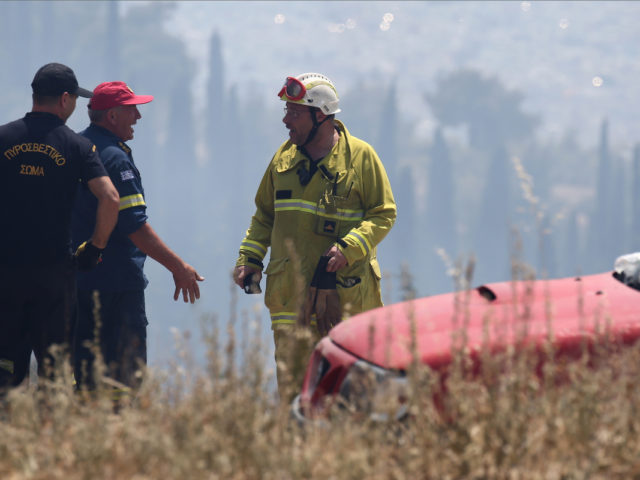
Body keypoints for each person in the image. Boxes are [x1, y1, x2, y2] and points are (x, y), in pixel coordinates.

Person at [233, 73, 396, 399]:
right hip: (289, 299)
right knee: (296, 396)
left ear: (320, 115)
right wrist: (250, 258)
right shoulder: (283, 159)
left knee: (351, 392)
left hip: (346, 299)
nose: (285, 120)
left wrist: (349, 248)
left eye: (294, 112)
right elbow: (264, 214)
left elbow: (383, 213)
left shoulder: (361, 158)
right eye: (286, 111)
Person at [72, 81, 204, 392]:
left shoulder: (77, 147)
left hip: (77, 283)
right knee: (124, 381)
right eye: (133, 110)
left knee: (86, 378)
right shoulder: (115, 159)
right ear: (113, 115)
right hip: (116, 285)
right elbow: (134, 227)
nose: (139, 117)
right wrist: (178, 267)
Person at [0, 63, 120, 392]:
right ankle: (53, 433)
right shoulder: (78, 147)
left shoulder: (3, 137)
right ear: (65, 99)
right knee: (55, 369)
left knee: (6, 367)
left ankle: (9, 434)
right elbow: (110, 198)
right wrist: (95, 248)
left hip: (6, 274)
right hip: (53, 276)